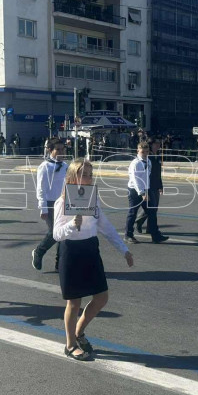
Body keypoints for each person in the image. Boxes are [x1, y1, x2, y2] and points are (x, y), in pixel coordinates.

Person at [53, 158, 134, 360]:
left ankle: (79, 331)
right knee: (74, 302)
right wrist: (72, 224)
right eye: (84, 174)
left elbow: (105, 227)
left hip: (90, 249)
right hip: (71, 251)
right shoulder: (62, 201)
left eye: (90, 174)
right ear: (72, 177)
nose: (88, 178)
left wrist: (124, 250)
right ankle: (70, 345)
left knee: (101, 297)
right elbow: (56, 234)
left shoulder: (93, 200)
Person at [32, 138, 67, 271]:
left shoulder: (65, 166)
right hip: (50, 203)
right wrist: (43, 207)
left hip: (64, 203)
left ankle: (60, 264)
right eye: (58, 149)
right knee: (54, 232)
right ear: (50, 150)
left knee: (63, 234)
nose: (61, 152)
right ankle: (39, 251)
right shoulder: (45, 166)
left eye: (63, 149)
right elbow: (41, 189)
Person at [135, 137, 169, 242]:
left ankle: (149, 228)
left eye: (159, 143)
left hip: (155, 185)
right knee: (152, 209)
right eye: (156, 143)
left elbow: (158, 173)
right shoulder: (147, 157)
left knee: (154, 209)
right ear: (151, 145)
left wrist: (160, 186)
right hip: (148, 186)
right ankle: (139, 222)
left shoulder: (157, 156)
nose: (159, 145)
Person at [124, 141, 151, 244]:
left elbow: (147, 177)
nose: (145, 154)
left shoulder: (148, 161)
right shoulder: (135, 163)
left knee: (150, 211)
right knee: (132, 213)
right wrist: (142, 193)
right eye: (142, 152)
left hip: (145, 189)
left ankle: (142, 225)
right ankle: (128, 235)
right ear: (138, 151)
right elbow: (135, 180)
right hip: (135, 191)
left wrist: (147, 190)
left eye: (147, 152)